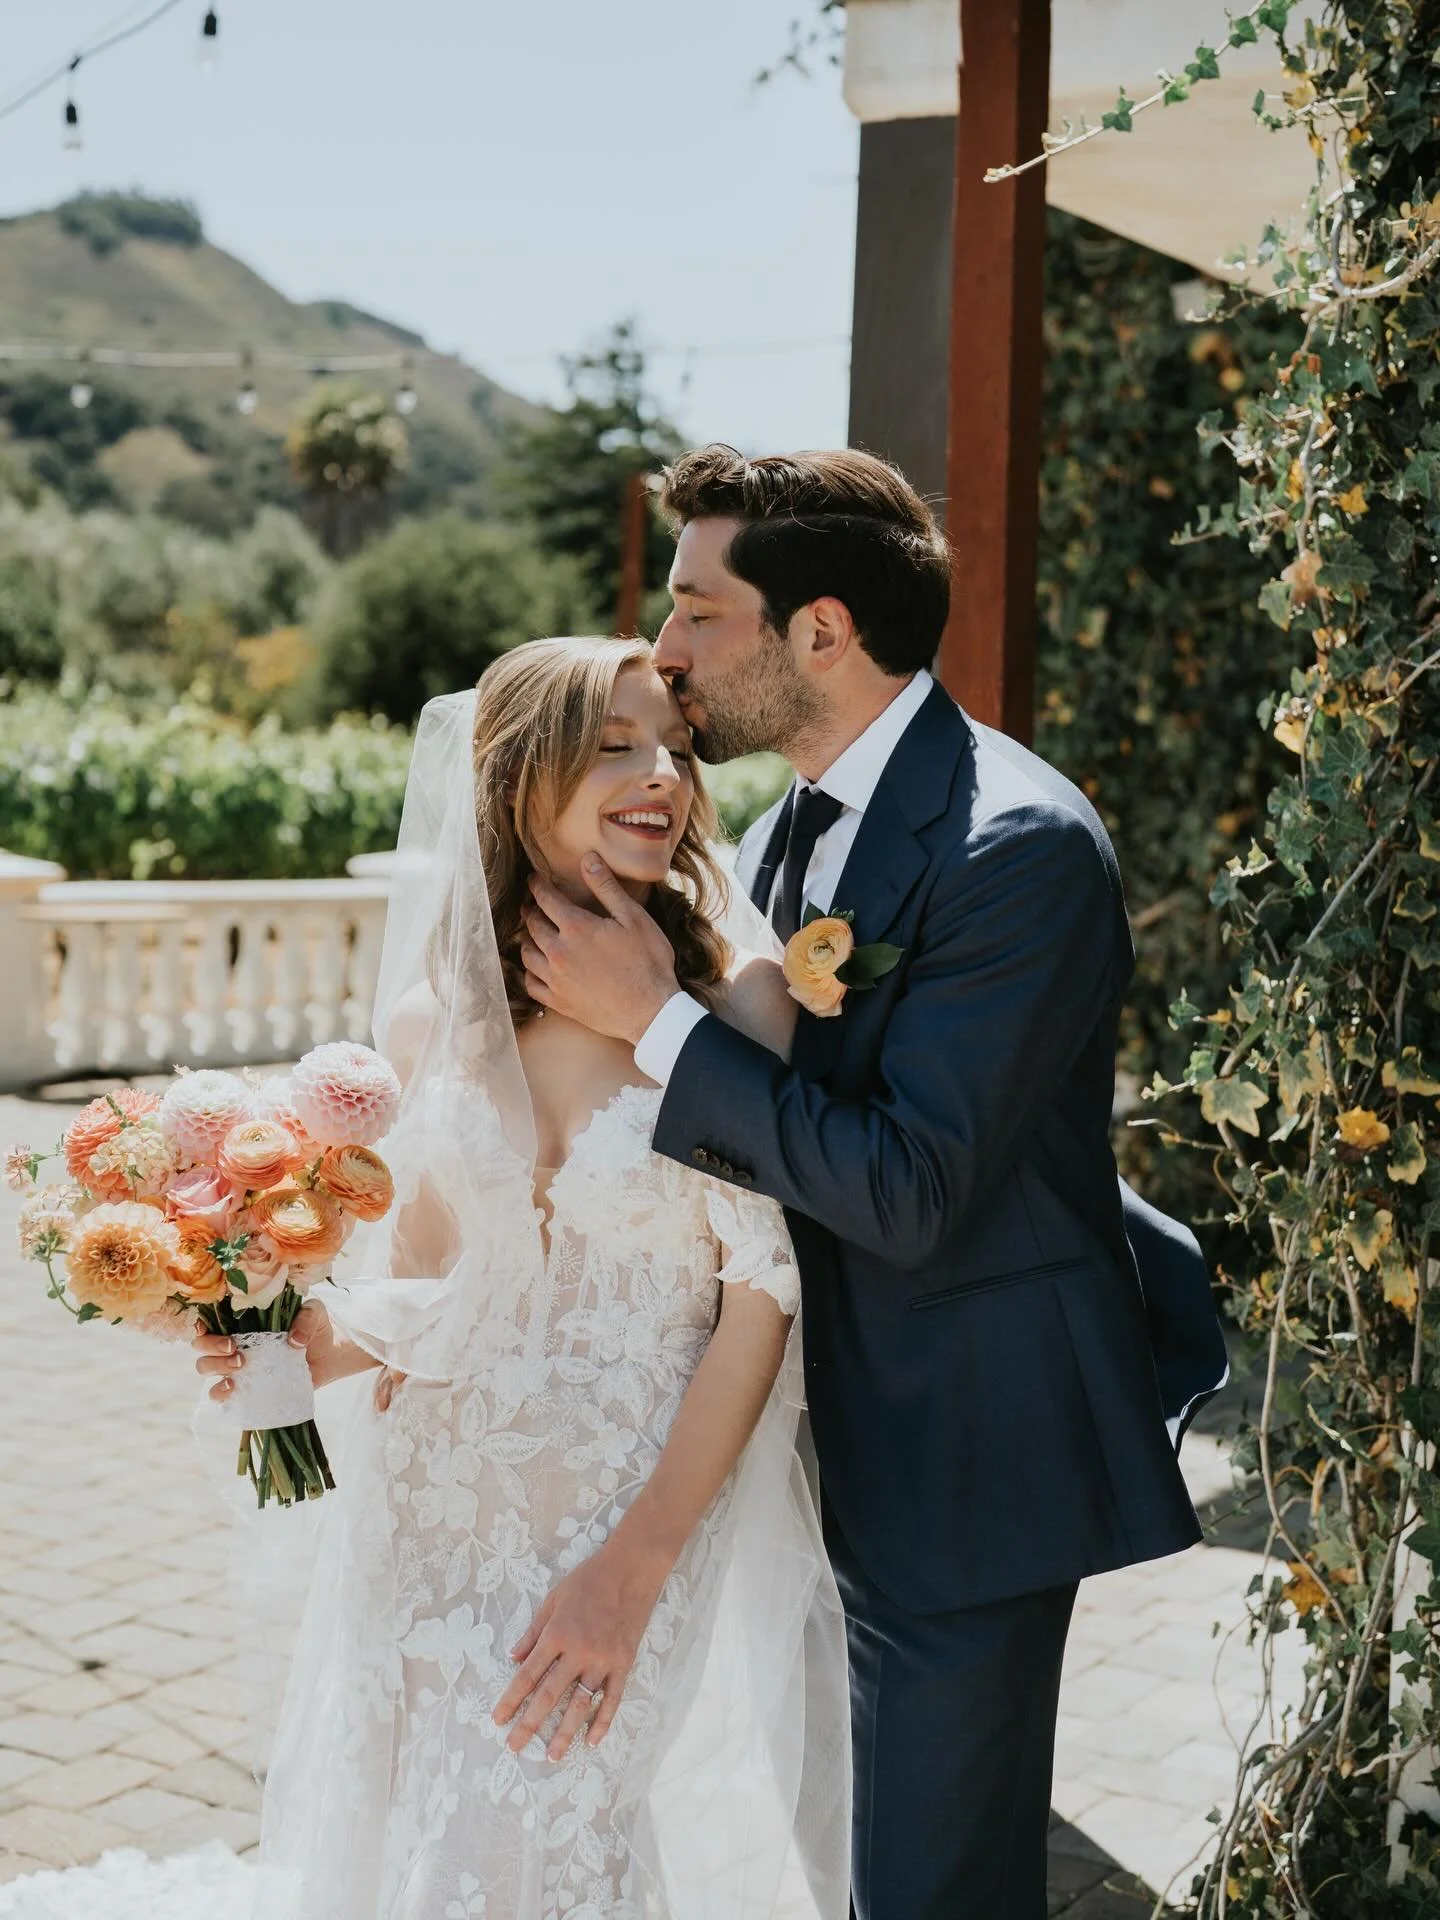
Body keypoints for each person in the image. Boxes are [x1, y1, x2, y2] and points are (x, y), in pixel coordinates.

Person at [13, 637, 848, 1920]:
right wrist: (301, 1341)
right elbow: (437, 1287)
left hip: (630, 1521)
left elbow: (765, 1302)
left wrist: (634, 1568)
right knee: (416, 1848)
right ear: (517, 777)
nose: (663, 776)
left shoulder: (736, 1005)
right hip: (432, 1508)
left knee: (535, 1850)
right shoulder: (434, 1015)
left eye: (676, 749)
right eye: (614, 745)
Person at [519, 447, 1228, 1920]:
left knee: (928, 1891)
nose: (664, 647)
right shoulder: (781, 831)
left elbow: (910, 1187)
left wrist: (654, 1023)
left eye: (698, 611)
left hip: (957, 1454)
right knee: (818, 1865)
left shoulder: (1017, 848)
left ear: (821, 632)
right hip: (792, 1455)